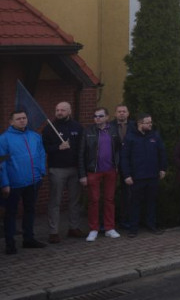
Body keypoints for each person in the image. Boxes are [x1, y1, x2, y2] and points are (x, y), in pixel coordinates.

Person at [1, 110, 48, 254]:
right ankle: (10, 244)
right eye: (18, 118)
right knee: (10, 214)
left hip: (33, 181)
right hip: (14, 184)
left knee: (30, 210)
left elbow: (41, 154)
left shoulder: (34, 136)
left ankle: (28, 239)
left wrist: (41, 172)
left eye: (24, 118)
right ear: (11, 122)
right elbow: (1, 164)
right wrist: (5, 183)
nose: (22, 120)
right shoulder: (4, 139)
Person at [42, 101, 86, 242]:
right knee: (55, 201)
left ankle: (73, 227)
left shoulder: (78, 127)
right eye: (57, 110)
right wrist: (58, 147)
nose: (59, 112)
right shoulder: (49, 128)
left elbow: (82, 149)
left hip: (74, 169)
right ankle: (53, 231)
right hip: (57, 170)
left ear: (69, 111)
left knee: (74, 200)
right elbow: (45, 148)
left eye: (62, 110)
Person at [79, 106, 122, 242]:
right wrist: (82, 174)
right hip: (93, 171)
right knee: (94, 200)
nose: (97, 118)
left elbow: (119, 150)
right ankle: (93, 229)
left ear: (107, 117)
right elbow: (81, 154)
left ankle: (109, 228)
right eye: (95, 116)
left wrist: (117, 166)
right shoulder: (88, 131)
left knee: (109, 200)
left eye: (100, 116)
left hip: (110, 171)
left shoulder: (114, 131)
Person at [123, 114, 166, 236]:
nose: (150, 125)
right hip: (137, 177)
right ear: (140, 124)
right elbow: (125, 157)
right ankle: (133, 228)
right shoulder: (130, 137)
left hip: (152, 175)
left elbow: (161, 152)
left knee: (151, 202)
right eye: (148, 123)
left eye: (151, 122)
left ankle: (151, 225)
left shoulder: (154, 136)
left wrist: (162, 168)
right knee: (135, 203)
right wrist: (127, 175)